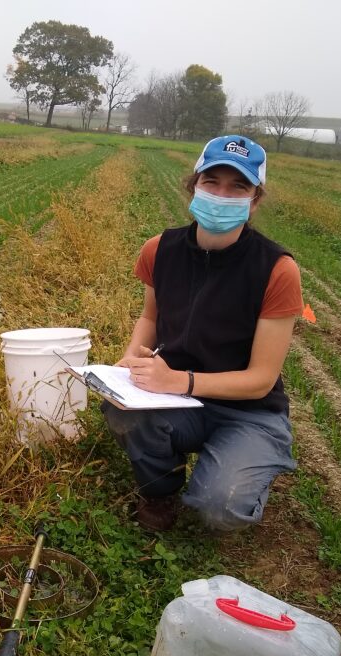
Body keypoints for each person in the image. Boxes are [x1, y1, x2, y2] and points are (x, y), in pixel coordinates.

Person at [103, 135, 302, 534]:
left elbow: (261, 380)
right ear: (193, 185)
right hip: (176, 395)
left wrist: (180, 379)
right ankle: (159, 490)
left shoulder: (277, 270)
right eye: (212, 182)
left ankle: (247, 460)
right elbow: (149, 317)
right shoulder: (159, 249)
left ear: (255, 199)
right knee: (123, 412)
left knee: (219, 507)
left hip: (248, 412)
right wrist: (132, 358)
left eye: (238, 186)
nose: (222, 194)